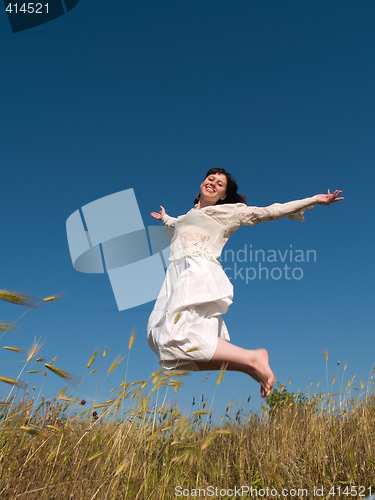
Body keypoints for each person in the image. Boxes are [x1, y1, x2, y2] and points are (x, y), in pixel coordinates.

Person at [147, 169, 344, 397]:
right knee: (164, 344)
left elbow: (270, 211)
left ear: (223, 196)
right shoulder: (185, 217)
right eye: (210, 179)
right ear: (202, 183)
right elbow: (175, 226)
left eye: (220, 184)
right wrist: (164, 218)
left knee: (180, 336)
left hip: (197, 273)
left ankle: (254, 358)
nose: (213, 183)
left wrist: (314, 200)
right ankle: (249, 364)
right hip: (175, 278)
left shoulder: (226, 212)